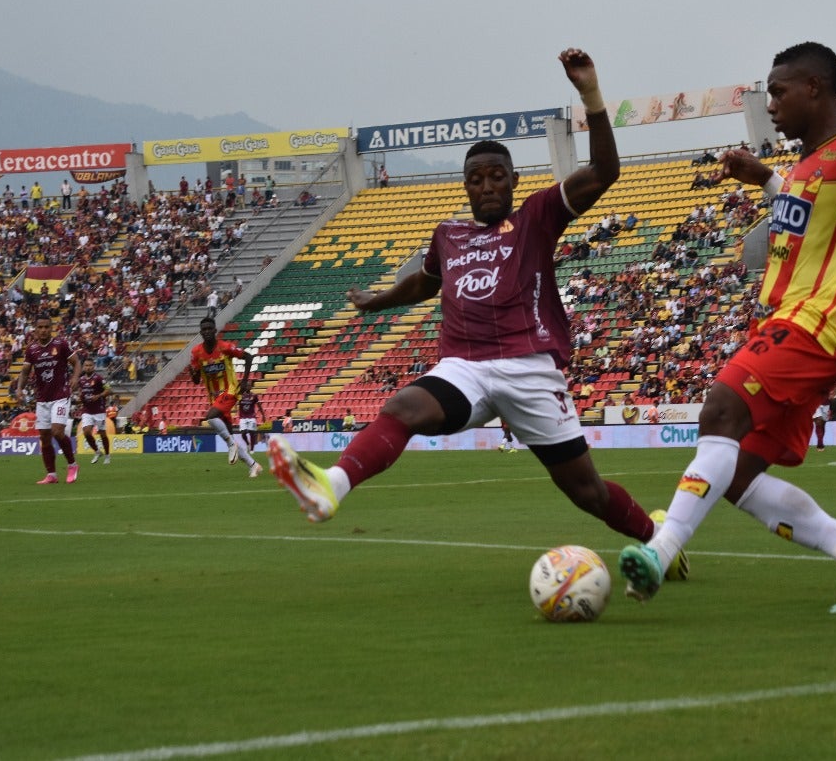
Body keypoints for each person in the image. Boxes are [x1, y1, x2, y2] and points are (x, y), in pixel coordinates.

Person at [267, 48, 667, 561]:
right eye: (476, 179)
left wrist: (589, 94)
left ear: (514, 179)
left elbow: (604, 170)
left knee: (586, 492)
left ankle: (660, 540)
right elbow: (424, 284)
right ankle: (332, 486)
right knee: (402, 407)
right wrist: (376, 302)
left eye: (496, 175)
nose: (486, 186)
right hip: (465, 367)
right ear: (466, 186)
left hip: (529, 367)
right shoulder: (448, 233)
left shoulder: (536, 216)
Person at [618, 41, 836, 614]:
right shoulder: (810, 167)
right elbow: (803, 206)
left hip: (812, 324)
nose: (770, 105)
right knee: (735, 478)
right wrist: (763, 175)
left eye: (779, 91)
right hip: (794, 326)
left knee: (719, 408)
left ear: (815, 88)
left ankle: (661, 552)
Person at [189, 316, 261, 477]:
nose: (207, 331)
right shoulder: (196, 353)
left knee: (211, 416)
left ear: (215, 330)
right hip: (215, 398)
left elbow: (248, 356)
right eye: (204, 329)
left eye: (209, 328)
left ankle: (231, 446)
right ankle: (253, 465)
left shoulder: (224, 347)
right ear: (201, 332)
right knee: (229, 436)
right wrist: (193, 374)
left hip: (230, 391)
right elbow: (196, 381)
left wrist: (244, 382)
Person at [14, 315, 82, 484]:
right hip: (42, 399)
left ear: (51, 328)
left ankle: (72, 464)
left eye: (46, 327)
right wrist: (19, 388)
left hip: (60, 396)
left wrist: (74, 378)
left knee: (57, 432)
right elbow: (24, 371)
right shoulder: (32, 349)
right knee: (44, 437)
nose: (43, 330)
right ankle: (51, 474)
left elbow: (77, 363)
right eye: (40, 327)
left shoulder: (61, 345)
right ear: (35, 330)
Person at [77, 358, 115, 464]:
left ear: (93, 367)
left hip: (99, 410)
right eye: (86, 365)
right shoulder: (81, 380)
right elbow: (82, 393)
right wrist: (80, 398)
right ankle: (97, 451)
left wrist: (99, 396)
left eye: (90, 365)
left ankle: (107, 455)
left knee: (102, 434)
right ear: (84, 367)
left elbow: (109, 390)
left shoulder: (99, 378)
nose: (88, 367)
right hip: (87, 410)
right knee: (86, 433)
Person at [235, 380, 268, 455]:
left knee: (252, 433)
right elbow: (235, 393)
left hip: (251, 417)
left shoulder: (254, 396)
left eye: (249, 385)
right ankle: (247, 444)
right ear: (245, 386)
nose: (248, 387)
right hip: (243, 417)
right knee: (243, 433)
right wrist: (239, 384)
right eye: (247, 385)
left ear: (251, 387)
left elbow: (259, 405)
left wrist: (263, 415)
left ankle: (252, 449)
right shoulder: (240, 395)